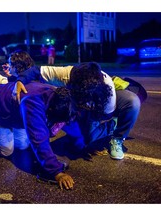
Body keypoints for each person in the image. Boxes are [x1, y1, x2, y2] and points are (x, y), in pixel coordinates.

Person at [0, 82, 76, 190]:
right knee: (6, 150)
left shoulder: (59, 96)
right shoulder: (33, 103)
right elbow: (38, 139)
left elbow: (58, 123)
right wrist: (56, 172)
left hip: (15, 113)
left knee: (22, 145)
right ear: (51, 108)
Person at [14, 62, 144, 160]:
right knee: (81, 136)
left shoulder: (106, 90)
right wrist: (20, 80)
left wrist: (84, 120)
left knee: (132, 102)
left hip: (100, 106)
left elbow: (103, 115)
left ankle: (116, 134)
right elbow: (36, 70)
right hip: (80, 102)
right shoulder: (67, 74)